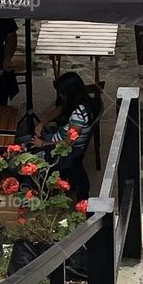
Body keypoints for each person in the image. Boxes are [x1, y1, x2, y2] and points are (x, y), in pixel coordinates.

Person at [31, 72, 97, 201]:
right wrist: (42, 123)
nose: (60, 95)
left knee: (25, 155)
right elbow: (60, 109)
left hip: (63, 150)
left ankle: (36, 193)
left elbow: (67, 143)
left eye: (62, 92)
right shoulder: (80, 102)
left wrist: (43, 144)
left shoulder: (78, 115)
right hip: (54, 139)